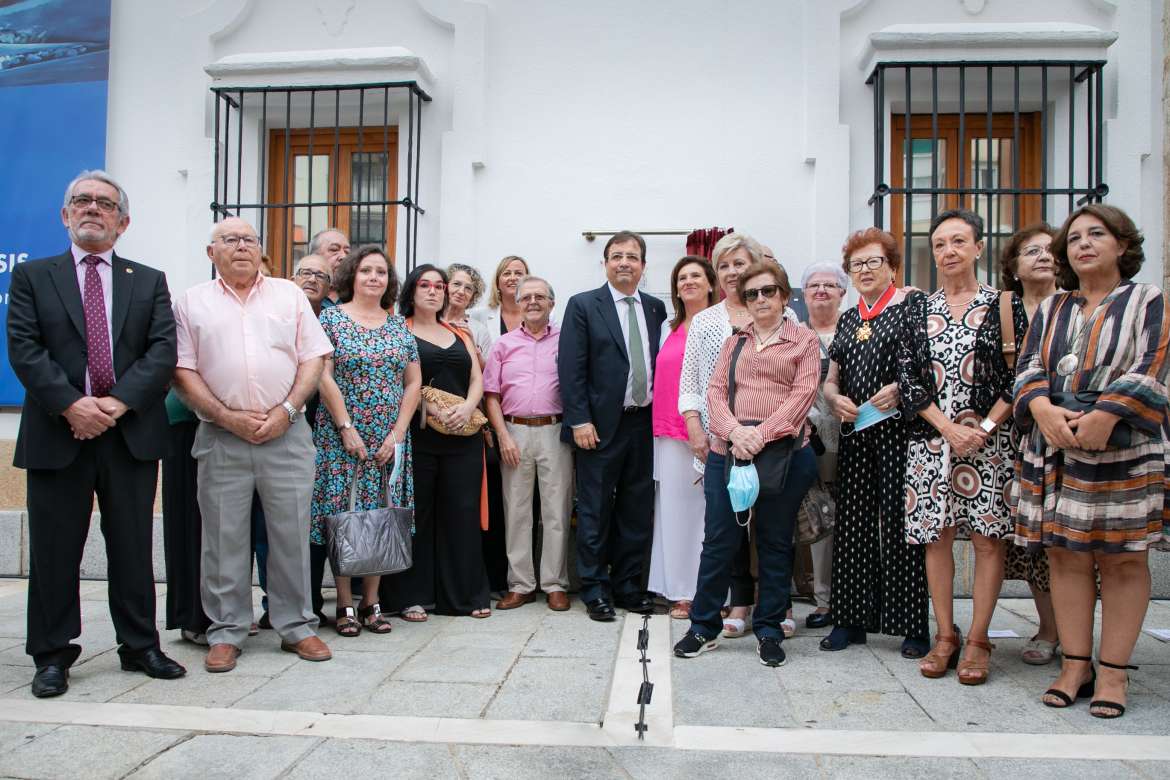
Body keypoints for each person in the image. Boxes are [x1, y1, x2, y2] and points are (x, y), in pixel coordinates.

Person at [9, 169, 185, 697]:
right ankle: (52, 654)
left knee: (131, 546)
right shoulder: (34, 277)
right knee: (55, 548)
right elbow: (24, 347)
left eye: (104, 204)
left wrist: (115, 402)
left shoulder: (148, 279)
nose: (92, 208)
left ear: (122, 221)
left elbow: (162, 352)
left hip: (128, 434)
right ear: (65, 216)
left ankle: (139, 645)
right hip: (57, 432)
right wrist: (71, 405)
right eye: (81, 201)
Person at [1014, 204, 1167, 719]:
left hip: (1123, 448)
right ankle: (1075, 664)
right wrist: (1040, 408)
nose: (1083, 243)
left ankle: (1115, 672)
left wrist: (1106, 414)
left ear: (1122, 245)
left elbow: (1155, 363)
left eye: (1096, 234)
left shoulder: (1149, 301)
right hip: (1055, 444)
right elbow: (1030, 365)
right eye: (1074, 237)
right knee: (1066, 555)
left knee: (1123, 558)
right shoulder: (1055, 309)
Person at [173, 216, 334, 672]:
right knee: (223, 537)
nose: (241, 246)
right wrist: (227, 416)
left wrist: (286, 411)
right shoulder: (191, 303)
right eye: (229, 240)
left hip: (287, 432)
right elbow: (182, 370)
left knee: (290, 533)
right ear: (212, 253)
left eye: (249, 239)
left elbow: (314, 358)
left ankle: (297, 626)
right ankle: (226, 631)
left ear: (260, 249)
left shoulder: (289, 295)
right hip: (222, 436)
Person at [899, 209, 1027, 684]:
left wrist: (985, 429)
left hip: (989, 443)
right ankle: (945, 634)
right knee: (937, 538)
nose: (948, 252)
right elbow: (909, 380)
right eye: (939, 244)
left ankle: (978, 639)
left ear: (978, 247)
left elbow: (1022, 377)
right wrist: (947, 429)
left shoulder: (1004, 306)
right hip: (932, 443)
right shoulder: (918, 308)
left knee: (987, 539)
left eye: (957, 242)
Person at [673, 259, 820, 667]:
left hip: (783, 454)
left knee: (774, 543)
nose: (759, 299)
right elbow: (714, 392)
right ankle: (703, 626)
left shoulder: (803, 340)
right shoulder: (734, 341)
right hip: (728, 453)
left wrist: (760, 435)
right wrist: (736, 433)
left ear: (784, 294)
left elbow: (802, 396)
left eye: (768, 291)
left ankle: (769, 629)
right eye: (751, 293)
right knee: (718, 542)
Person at [821, 230, 929, 656]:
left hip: (900, 432)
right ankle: (850, 620)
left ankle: (912, 626)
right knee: (852, 526)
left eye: (873, 262)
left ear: (892, 267)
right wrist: (832, 396)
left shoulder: (913, 307)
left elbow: (929, 366)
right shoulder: (848, 319)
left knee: (903, 526)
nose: (864, 271)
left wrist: (902, 389)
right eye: (857, 265)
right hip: (855, 434)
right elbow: (833, 377)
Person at [311, 246, 421, 636]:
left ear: (389, 281)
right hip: (341, 435)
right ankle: (344, 603)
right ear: (351, 277)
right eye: (366, 271)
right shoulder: (332, 319)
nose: (374, 277)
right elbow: (322, 376)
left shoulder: (397, 326)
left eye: (381, 272)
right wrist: (345, 426)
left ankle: (371, 602)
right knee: (345, 515)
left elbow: (413, 383)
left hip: (387, 439)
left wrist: (398, 433)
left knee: (379, 516)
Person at [558, 231, 667, 621]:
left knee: (636, 510)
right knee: (595, 510)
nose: (625, 262)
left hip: (643, 425)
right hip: (600, 426)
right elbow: (570, 369)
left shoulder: (655, 309)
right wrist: (580, 419)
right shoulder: (585, 305)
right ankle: (594, 589)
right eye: (617, 255)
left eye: (632, 257)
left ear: (643, 266)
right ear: (604, 263)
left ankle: (627, 586)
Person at [381, 265, 492, 618]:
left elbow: (477, 377)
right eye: (425, 285)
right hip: (419, 435)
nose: (433, 291)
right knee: (419, 514)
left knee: (461, 512)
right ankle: (409, 596)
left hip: (464, 435)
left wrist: (469, 407)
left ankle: (464, 597)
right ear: (411, 292)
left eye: (439, 286)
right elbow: (397, 380)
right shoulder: (399, 331)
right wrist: (427, 406)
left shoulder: (459, 333)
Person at [678, 232, 764, 638]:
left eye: (740, 263)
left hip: (769, 441)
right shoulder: (706, 321)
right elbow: (691, 382)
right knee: (725, 527)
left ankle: (770, 606)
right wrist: (695, 426)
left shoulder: (775, 312)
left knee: (767, 528)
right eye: (725, 265)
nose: (732, 272)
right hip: (719, 442)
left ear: (756, 265)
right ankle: (738, 602)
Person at [482, 276, 573, 611]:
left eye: (540, 297)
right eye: (526, 297)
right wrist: (503, 435)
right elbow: (491, 395)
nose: (533, 302)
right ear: (517, 303)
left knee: (556, 510)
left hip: (555, 431)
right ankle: (520, 584)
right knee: (517, 510)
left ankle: (555, 584)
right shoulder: (504, 345)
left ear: (551, 302)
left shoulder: (567, 340)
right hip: (514, 432)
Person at [999, 224, 1061, 665]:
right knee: (1032, 538)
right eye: (1031, 250)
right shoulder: (1005, 310)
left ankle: (1069, 633)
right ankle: (1049, 627)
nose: (1042, 256)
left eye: (1049, 250)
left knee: (1067, 538)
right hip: (1016, 433)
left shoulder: (1075, 306)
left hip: (1072, 430)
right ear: (1014, 266)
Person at [649, 256, 717, 619]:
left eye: (696, 276)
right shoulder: (667, 326)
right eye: (682, 278)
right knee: (675, 512)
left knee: (711, 514)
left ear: (710, 284)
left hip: (712, 430)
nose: (688, 282)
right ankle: (680, 591)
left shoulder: (723, 321)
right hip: (669, 431)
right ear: (676, 289)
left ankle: (712, 592)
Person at [447, 261, 507, 595]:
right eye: (455, 284)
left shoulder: (478, 327)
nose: (460, 291)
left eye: (467, 288)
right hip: (428, 417)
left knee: (475, 504)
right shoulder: (423, 319)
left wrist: (472, 344)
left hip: (470, 419)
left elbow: (487, 375)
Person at [799, 262, 847, 630]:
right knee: (818, 516)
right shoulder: (796, 334)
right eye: (814, 285)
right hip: (810, 440)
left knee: (854, 517)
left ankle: (854, 594)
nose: (821, 291)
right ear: (803, 293)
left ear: (842, 292)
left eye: (830, 285)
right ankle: (823, 598)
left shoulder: (854, 329)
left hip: (853, 435)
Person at [291, 252, 334, 627]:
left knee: (317, 519)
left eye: (321, 276)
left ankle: (313, 601)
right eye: (306, 273)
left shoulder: (333, 317)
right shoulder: (280, 310)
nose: (313, 280)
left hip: (330, 429)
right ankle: (287, 604)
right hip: (285, 423)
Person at [476, 255, 530, 343]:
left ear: (528, 281)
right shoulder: (479, 316)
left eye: (518, 273)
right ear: (497, 283)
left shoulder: (544, 315)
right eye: (507, 273)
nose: (512, 278)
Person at [308, 228, 352, 306]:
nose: (344, 256)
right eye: (334, 249)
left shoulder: (358, 295)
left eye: (347, 252)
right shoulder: (300, 295)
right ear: (315, 256)